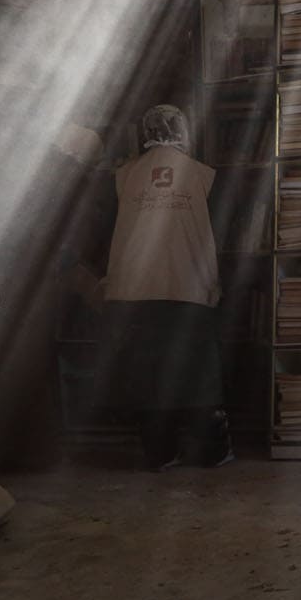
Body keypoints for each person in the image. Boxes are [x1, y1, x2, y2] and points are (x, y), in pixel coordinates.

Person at [97, 104, 233, 470]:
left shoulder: (124, 176)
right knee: (199, 377)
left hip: (135, 291)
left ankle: (159, 453)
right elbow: (219, 232)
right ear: (183, 131)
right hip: (190, 287)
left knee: (148, 378)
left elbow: (106, 233)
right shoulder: (202, 175)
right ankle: (210, 452)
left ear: (146, 132)